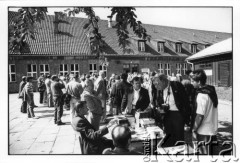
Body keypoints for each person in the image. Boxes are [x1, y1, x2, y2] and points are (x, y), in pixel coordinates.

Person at [153, 74, 190, 147]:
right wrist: (159, 108)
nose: (156, 86)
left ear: (163, 81)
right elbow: (157, 101)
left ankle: (179, 154)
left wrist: (187, 119)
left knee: (179, 137)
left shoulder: (177, 85)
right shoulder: (159, 89)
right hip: (166, 115)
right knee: (168, 136)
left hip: (178, 115)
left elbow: (186, 102)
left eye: (157, 84)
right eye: (154, 84)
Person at [191, 69, 218, 155]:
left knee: (205, 156)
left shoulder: (202, 95)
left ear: (198, 82)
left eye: (192, 81)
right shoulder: (211, 90)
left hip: (204, 132)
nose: (191, 83)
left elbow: (200, 116)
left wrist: (194, 130)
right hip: (212, 130)